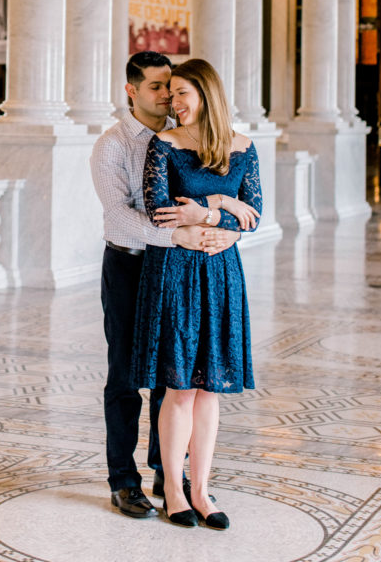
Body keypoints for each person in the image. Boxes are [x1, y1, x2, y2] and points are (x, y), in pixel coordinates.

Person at [90, 52, 241, 519]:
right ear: (131, 91)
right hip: (130, 265)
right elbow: (118, 215)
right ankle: (124, 481)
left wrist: (221, 221)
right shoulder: (112, 145)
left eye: (173, 87)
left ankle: (167, 473)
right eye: (157, 87)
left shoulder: (188, 137)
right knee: (124, 377)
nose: (167, 96)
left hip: (175, 269)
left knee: (172, 373)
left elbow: (227, 198)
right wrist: (178, 234)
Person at [131, 58, 262, 530]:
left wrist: (211, 210)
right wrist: (225, 207)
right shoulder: (162, 144)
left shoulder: (244, 147)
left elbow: (255, 214)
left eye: (183, 92)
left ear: (207, 95)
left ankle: (202, 490)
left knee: (211, 390)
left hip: (222, 271)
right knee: (180, 388)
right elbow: (159, 209)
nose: (174, 102)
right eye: (171, 93)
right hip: (176, 271)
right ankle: (172, 489)